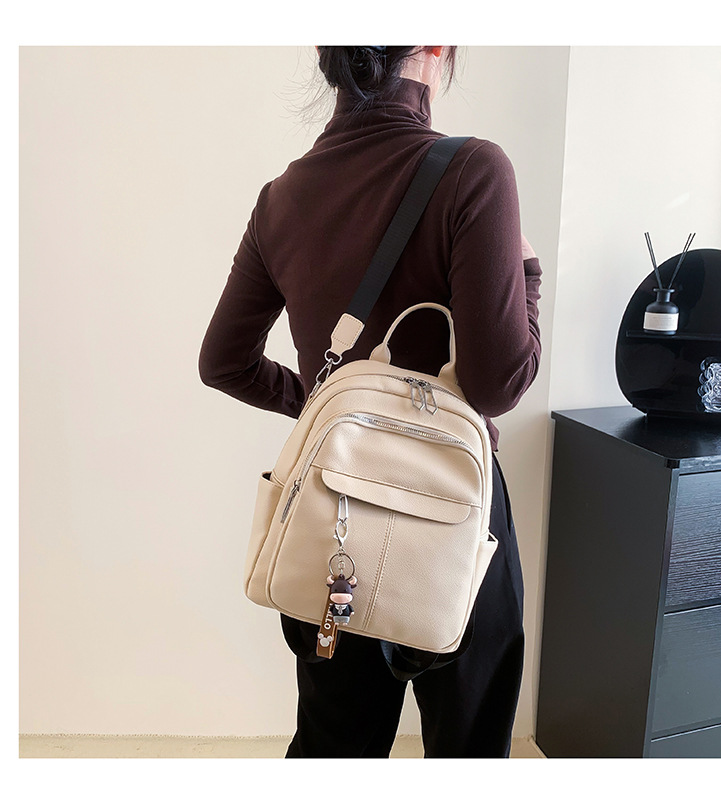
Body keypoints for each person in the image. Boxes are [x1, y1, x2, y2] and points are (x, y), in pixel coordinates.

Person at [198, 46, 542, 758]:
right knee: (468, 751)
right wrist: (528, 274)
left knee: (334, 746)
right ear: (435, 47)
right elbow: (498, 383)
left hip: (334, 509)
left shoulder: (281, 198)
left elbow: (224, 362)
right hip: (456, 512)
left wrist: (333, 406)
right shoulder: (475, 171)